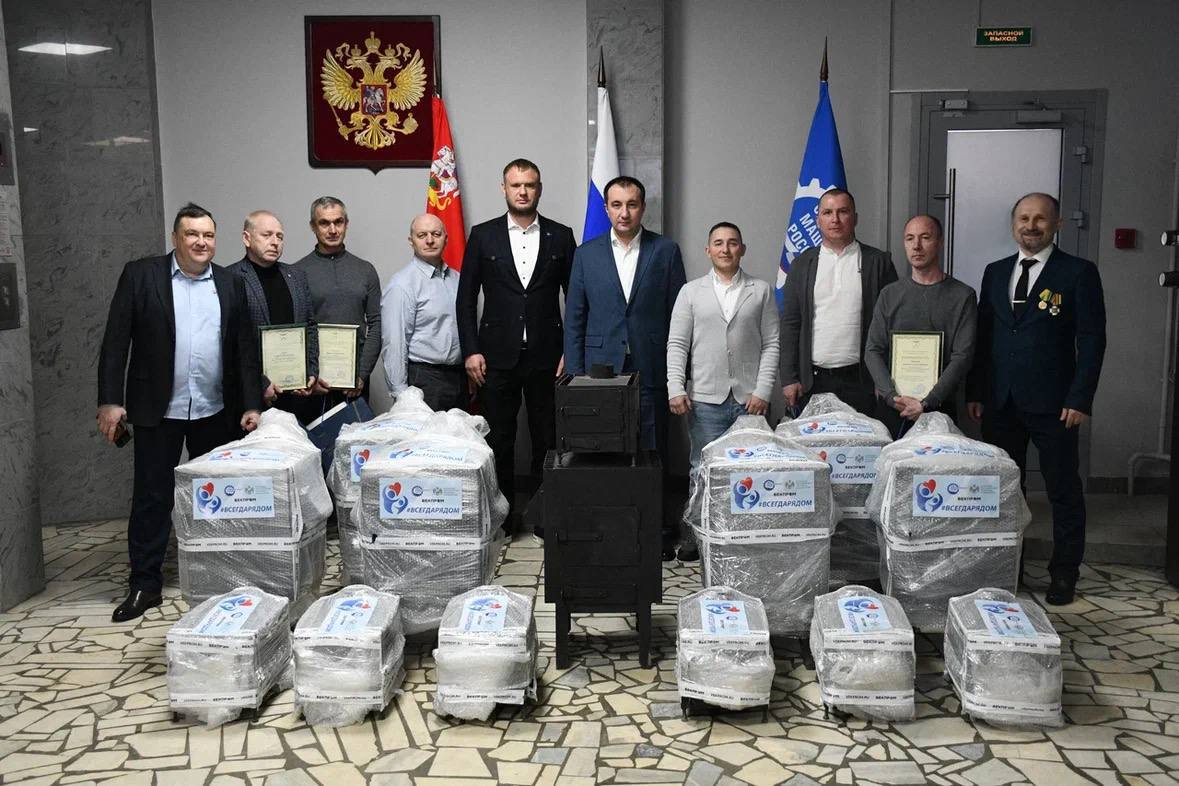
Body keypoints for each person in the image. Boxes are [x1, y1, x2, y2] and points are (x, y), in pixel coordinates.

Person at [96, 203, 262, 623]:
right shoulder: (141, 276)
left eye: (208, 235)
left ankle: (217, 578)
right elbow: (115, 341)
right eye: (192, 234)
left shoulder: (230, 283)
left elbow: (244, 348)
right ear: (175, 238)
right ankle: (145, 584)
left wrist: (251, 404)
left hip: (214, 410)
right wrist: (110, 400)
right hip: (158, 409)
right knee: (152, 498)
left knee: (216, 498)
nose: (201, 242)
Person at [967, 193, 1106, 606]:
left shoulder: (1078, 273)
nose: (1031, 226)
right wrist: (977, 391)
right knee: (1006, 492)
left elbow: (1092, 340)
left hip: (1056, 405)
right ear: (1014, 225)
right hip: (1001, 403)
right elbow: (985, 337)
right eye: (1024, 218)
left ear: (1057, 224)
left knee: (1063, 490)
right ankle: (1009, 569)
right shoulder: (995, 272)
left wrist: (1080, 397)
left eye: (1040, 219)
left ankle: (1064, 573)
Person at [564, 175, 687, 559]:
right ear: (606, 209)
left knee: (653, 450)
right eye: (616, 205)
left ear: (642, 207)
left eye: (632, 204)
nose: (624, 212)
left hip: (651, 365)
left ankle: (657, 532)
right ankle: (606, 531)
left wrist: (677, 375)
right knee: (603, 451)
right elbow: (575, 319)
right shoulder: (586, 254)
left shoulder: (665, 251)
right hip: (599, 371)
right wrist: (576, 377)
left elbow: (678, 318)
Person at [457, 159, 576, 531]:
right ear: (503, 189)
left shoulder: (561, 235)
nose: (522, 191)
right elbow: (465, 299)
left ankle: (544, 517)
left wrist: (571, 351)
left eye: (529, 184)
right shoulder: (483, 235)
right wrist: (471, 350)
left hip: (548, 357)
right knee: (499, 439)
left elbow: (576, 299)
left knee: (548, 439)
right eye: (515, 185)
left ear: (539, 189)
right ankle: (503, 518)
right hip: (495, 357)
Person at [667, 221, 779, 561]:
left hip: (750, 401)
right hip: (705, 399)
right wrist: (675, 386)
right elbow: (677, 344)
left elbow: (772, 344)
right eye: (718, 243)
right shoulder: (690, 292)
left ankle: (743, 537)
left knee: (750, 470)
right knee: (701, 469)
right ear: (708, 250)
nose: (725, 249)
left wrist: (763, 390)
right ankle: (694, 537)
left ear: (742, 249)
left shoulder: (761, 290)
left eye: (732, 243)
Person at [780, 188, 898, 416]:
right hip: (813, 382)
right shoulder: (802, 264)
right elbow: (790, 323)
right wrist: (788, 378)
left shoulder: (879, 262)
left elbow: (892, 325)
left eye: (843, 212)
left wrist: (884, 380)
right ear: (818, 220)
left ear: (855, 218)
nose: (835, 219)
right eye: (827, 213)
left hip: (863, 382)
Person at [864, 214, 976, 433]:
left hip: (940, 408)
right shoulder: (889, 294)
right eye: (910, 238)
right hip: (893, 408)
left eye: (925, 237)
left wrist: (928, 401)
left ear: (940, 242)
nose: (916, 246)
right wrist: (891, 396)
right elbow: (872, 349)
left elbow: (963, 356)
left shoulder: (963, 296)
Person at [229, 210, 323, 418]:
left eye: (279, 237)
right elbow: (231, 343)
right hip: (253, 399)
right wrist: (260, 384)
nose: (275, 242)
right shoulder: (230, 278)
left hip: (298, 395)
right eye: (267, 235)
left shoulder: (296, 276)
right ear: (246, 238)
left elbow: (310, 326)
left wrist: (310, 372)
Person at [294, 197, 382, 404]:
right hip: (314, 384)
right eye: (324, 223)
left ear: (346, 224)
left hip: (356, 382)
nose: (333, 230)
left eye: (338, 222)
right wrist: (309, 375)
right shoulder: (297, 272)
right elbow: (297, 329)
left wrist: (362, 374)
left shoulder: (366, 270)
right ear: (313, 226)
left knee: (356, 427)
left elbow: (377, 324)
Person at [381, 214, 464, 411]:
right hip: (424, 380)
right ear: (411, 241)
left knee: (460, 432)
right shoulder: (402, 284)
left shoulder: (458, 279)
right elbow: (395, 342)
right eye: (422, 235)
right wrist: (401, 394)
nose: (429, 240)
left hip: (458, 377)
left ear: (446, 239)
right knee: (427, 433)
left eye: (436, 234)